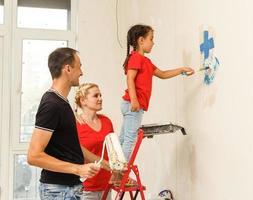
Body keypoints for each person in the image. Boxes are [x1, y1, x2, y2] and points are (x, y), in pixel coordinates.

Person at [27, 47, 101, 200]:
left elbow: (71, 146)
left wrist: (107, 164)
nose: (82, 72)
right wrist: (78, 169)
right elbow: (33, 156)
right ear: (68, 68)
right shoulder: (51, 104)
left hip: (69, 188)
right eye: (79, 66)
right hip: (58, 191)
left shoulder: (62, 102)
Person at [119, 24, 195, 161]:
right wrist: (134, 99)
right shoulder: (136, 58)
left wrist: (181, 70)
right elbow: (130, 78)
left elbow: (163, 74)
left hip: (131, 104)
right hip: (133, 104)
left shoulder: (146, 61)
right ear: (141, 41)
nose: (153, 43)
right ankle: (118, 173)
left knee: (124, 138)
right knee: (130, 140)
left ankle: (114, 170)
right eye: (151, 39)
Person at [74, 83, 113, 200]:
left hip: (106, 185)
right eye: (96, 96)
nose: (100, 98)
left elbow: (113, 150)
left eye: (100, 95)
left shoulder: (106, 121)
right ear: (83, 100)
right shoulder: (75, 124)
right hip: (85, 188)